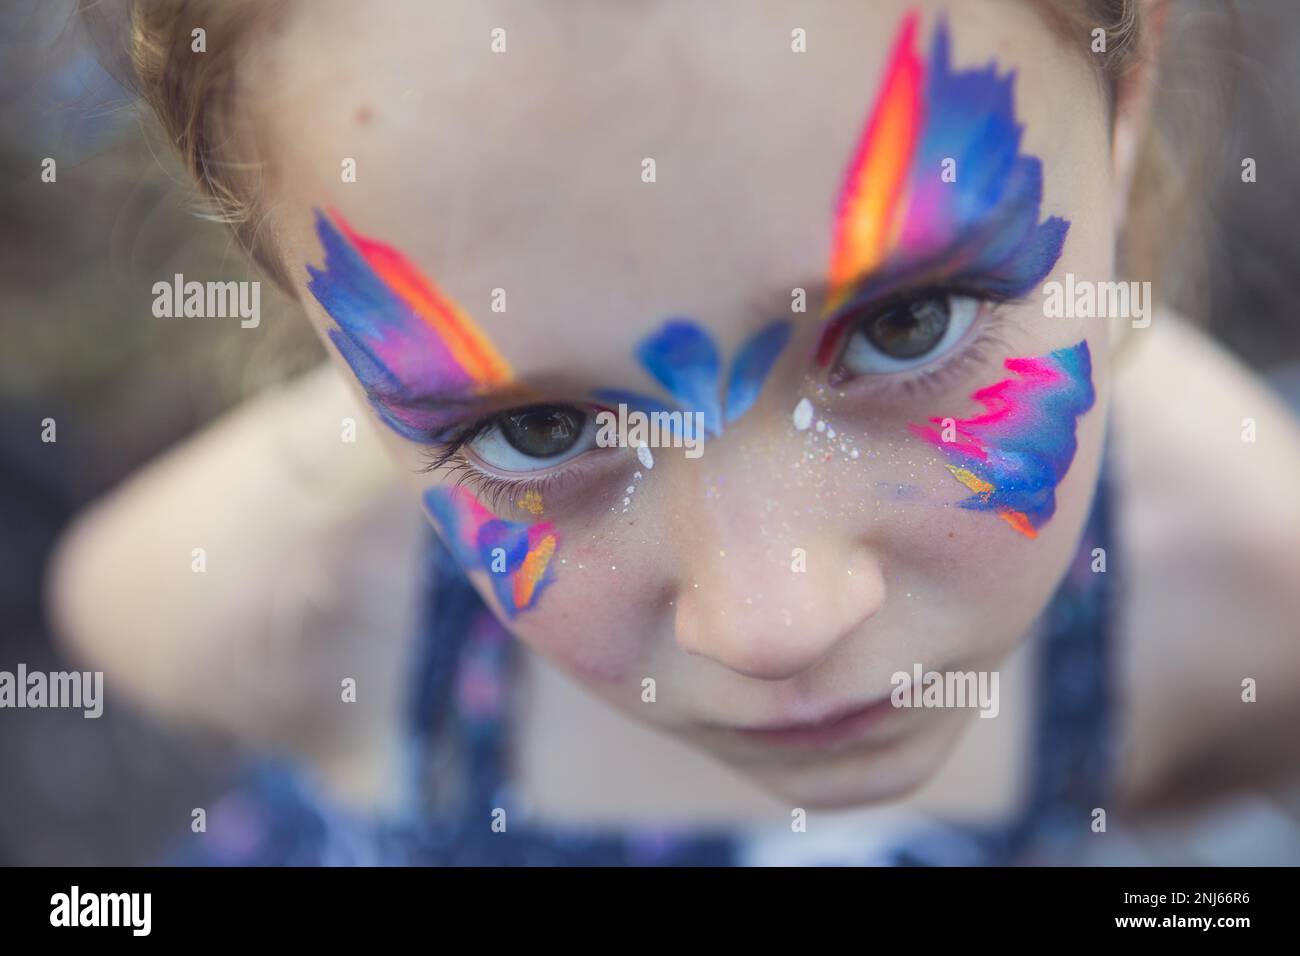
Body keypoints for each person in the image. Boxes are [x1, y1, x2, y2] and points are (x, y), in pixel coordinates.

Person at [51, 0, 1300, 865]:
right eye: (534, 425)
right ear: (316, 334)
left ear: (1123, 108)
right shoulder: (292, 605)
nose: (775, 621)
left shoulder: (1247, 587)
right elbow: (108, 608)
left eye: (911, 324)